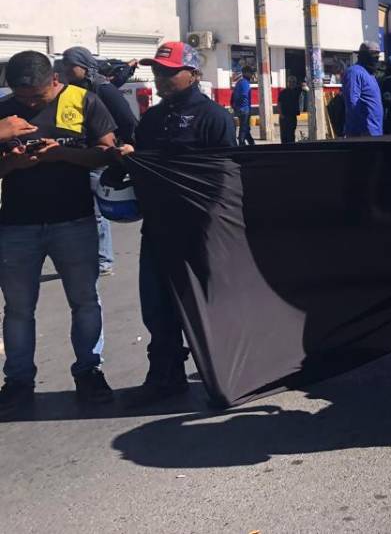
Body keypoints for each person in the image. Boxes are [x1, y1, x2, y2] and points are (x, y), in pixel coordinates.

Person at [0, 51, 117, 417]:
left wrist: (62, 156)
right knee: (18, 310)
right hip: (17, 225)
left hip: (75, 220)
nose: (30, 103)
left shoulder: (84, 101)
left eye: (37, 96)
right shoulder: (5, 111)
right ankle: (18, 380)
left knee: (84, 301)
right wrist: (12, 163)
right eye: (23, 97)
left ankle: (89, 371)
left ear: (55, 80)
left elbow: (106, 153)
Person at [124, 41, 236, 407]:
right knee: (156, 308)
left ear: (193, 73)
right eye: (157, 71)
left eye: (169, 72)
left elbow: (224, 176)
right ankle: (165, 375)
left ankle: (223, 378)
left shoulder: (213, 117)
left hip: (198, 229)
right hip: (157, 228)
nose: (161, 78)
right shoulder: (153, 119)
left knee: (206, 306)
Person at [61, 46, 138, 277]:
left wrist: (127, 147)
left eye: (69, 65)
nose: (65, 70)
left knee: (96, 213)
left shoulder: (103, 88)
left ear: (84, 67)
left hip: (103, 155)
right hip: (81, 156)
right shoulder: (74, 90)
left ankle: (103, 260)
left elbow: (127, 120)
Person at [343, 43, 384, 137]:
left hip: (375, 131)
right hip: (362, 133)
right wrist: (361, 130)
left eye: (378, 56)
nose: (376, 59)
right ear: (363, 56)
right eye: (373, 55)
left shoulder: (370, 74)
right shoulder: (354, 72)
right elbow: (352, 103)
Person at [277, 75, 305, 144]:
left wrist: (303, 84)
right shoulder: (283, 92)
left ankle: (291, 149)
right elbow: (279, 104)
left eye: (293, 82)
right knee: (284, 135)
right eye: (290, 82)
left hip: (292, 116)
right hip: (284, 116)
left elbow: (306, 88)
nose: (292, 83)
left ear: (296, 83)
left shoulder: (297, 90)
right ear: (287, 83)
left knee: (291, 134)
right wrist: (281, 114)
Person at [232, 65, 255, 147]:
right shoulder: (245, 83)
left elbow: (233, 95)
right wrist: (246, 107)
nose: (252, 75)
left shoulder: (239, 82)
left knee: (246, 127)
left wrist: (234, 106)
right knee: (244, 127)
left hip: (238, 108)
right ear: (246, 73)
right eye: (251, 73)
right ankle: (241, 143)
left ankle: (251, 142)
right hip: (244, 109)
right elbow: (244, 95)